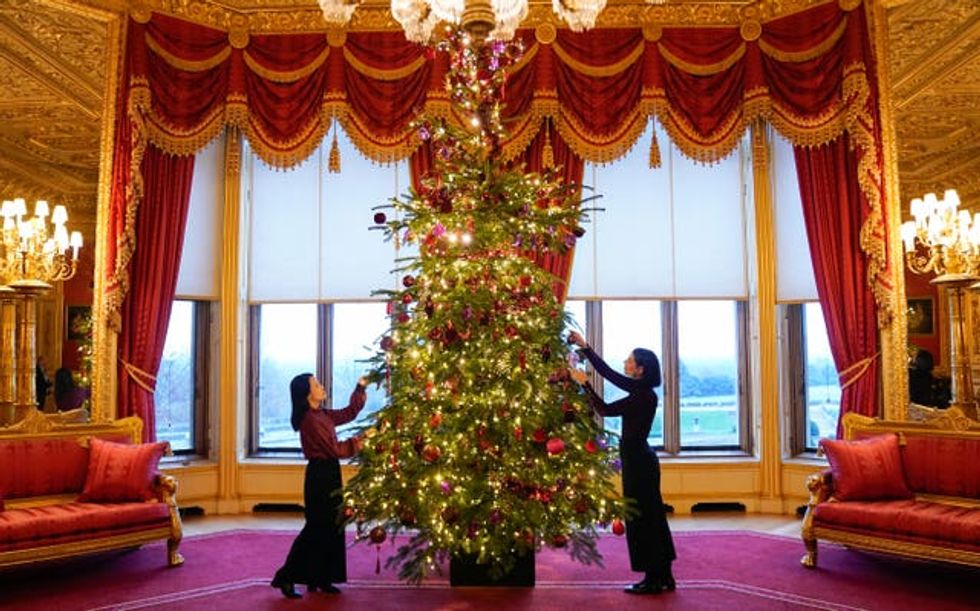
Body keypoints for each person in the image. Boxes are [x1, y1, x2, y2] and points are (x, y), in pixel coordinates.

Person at [567, 331, 676, 595]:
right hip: (640, 459)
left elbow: (604, 410)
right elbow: (609, 374)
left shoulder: (642, 396)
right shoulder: (643, 391)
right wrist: (586, 347)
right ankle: (663, 576)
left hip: (638, 462)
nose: (625, 364)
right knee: (652, 517)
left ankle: (653, 579)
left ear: (640, 369)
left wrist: (584, 384)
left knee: (642, 519)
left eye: (629, 361)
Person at [271, 374, 366, 598]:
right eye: (316, 385)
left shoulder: (321, 413)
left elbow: (348, 413)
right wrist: (361, 441)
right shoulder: (310, 420)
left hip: (330, 472)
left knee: (332, 527)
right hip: (320, 477)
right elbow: (335, 450)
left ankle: (322, 578)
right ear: (307, 394)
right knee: (316, 530)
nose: (322, 387)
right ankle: (285, 577)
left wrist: (360, 388)